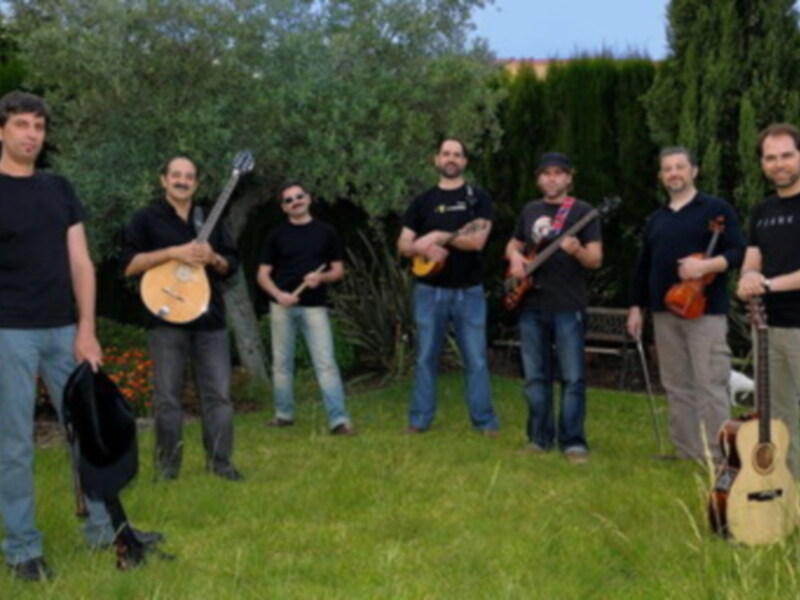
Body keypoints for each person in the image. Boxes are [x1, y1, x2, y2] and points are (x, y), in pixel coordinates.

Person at [0, 91, 152, 581]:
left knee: (89, 433)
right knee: (14, 445)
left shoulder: (59, 188)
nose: (31, 135)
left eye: (39, 126)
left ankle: (105, 529)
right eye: (21, 124)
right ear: (2, 131)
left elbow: (82, 263)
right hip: (8, 333)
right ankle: (23, 549)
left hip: (64, 330)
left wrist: (86, 328)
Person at [122, 155, 242, 481]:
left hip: (210, 320)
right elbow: (129, 264)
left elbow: (232, 265)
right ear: (164, 180)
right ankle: (167, 468)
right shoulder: (145, 219)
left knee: (218, 396)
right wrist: (172, 252)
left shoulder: (210, 219)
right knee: (167, 398)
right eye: (176, 175)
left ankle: (221, 464)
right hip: (164, 320)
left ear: (196, 183)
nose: (182, 181)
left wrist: (214, 258)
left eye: (189, 176)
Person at [628, 146, 744, 462]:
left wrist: (705, 266)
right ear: (661, 176)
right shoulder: (657, 218)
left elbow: (738, 252)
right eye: (668, 169)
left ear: (694, 171)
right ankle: (687, 451)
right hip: (664, 311)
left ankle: (722, 456)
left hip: (705, 311)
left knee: (710, 383)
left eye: (680, 167)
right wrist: (636, 306)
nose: (674, 173)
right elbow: (643, 266)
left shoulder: (716, 209)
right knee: (677, 384)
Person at [505, 152, 602, 464]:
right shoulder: (530, 210)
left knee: (572, 378)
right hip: (531, 305)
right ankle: (539, 439)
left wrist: (578, 251)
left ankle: (573, 442)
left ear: (569, 178)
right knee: (535, 377)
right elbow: (514, 244)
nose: (552, 178)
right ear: (538, 179)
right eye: (546, 173)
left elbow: (595, 259)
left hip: (567, 305)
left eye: (558, 173)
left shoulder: (584, 212)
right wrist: (515, 257)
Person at [397, 138, 498, 434]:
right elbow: (403, 244)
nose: (451, 159)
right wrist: (422, 247)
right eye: (446, 154)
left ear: (464, 162)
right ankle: (419, 420)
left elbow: (477, 241)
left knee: (476, 359)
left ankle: (484, 421)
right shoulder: (422, 201)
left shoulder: (478, 199)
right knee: (425, 357)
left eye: (457, 154)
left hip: (469, 291)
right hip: (429, 291)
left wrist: (440, 236)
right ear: (437, 160)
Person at [256, 181, 354, 435]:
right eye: (289, 200)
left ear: (308, 198)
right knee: (281, 364)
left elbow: (338, 270)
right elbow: (262, 275)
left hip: (315, 308)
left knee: (326, 363)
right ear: (283, 207)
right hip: (281, 307)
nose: (295, 202)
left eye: (299, 196)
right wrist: (278, 294)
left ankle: (338, 420)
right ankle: (284, 415)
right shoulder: (276, 235)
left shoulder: (326, 231)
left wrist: (321, 277)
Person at [737, 123, 800, 479]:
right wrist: (747, 279)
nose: (779, 164)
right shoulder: (762, 210)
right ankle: (789, 490)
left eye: (787, 155)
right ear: (762, 163)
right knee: (777, 418)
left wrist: (768, 284)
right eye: (771, 158)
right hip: (768, 328)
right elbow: (752, 259)